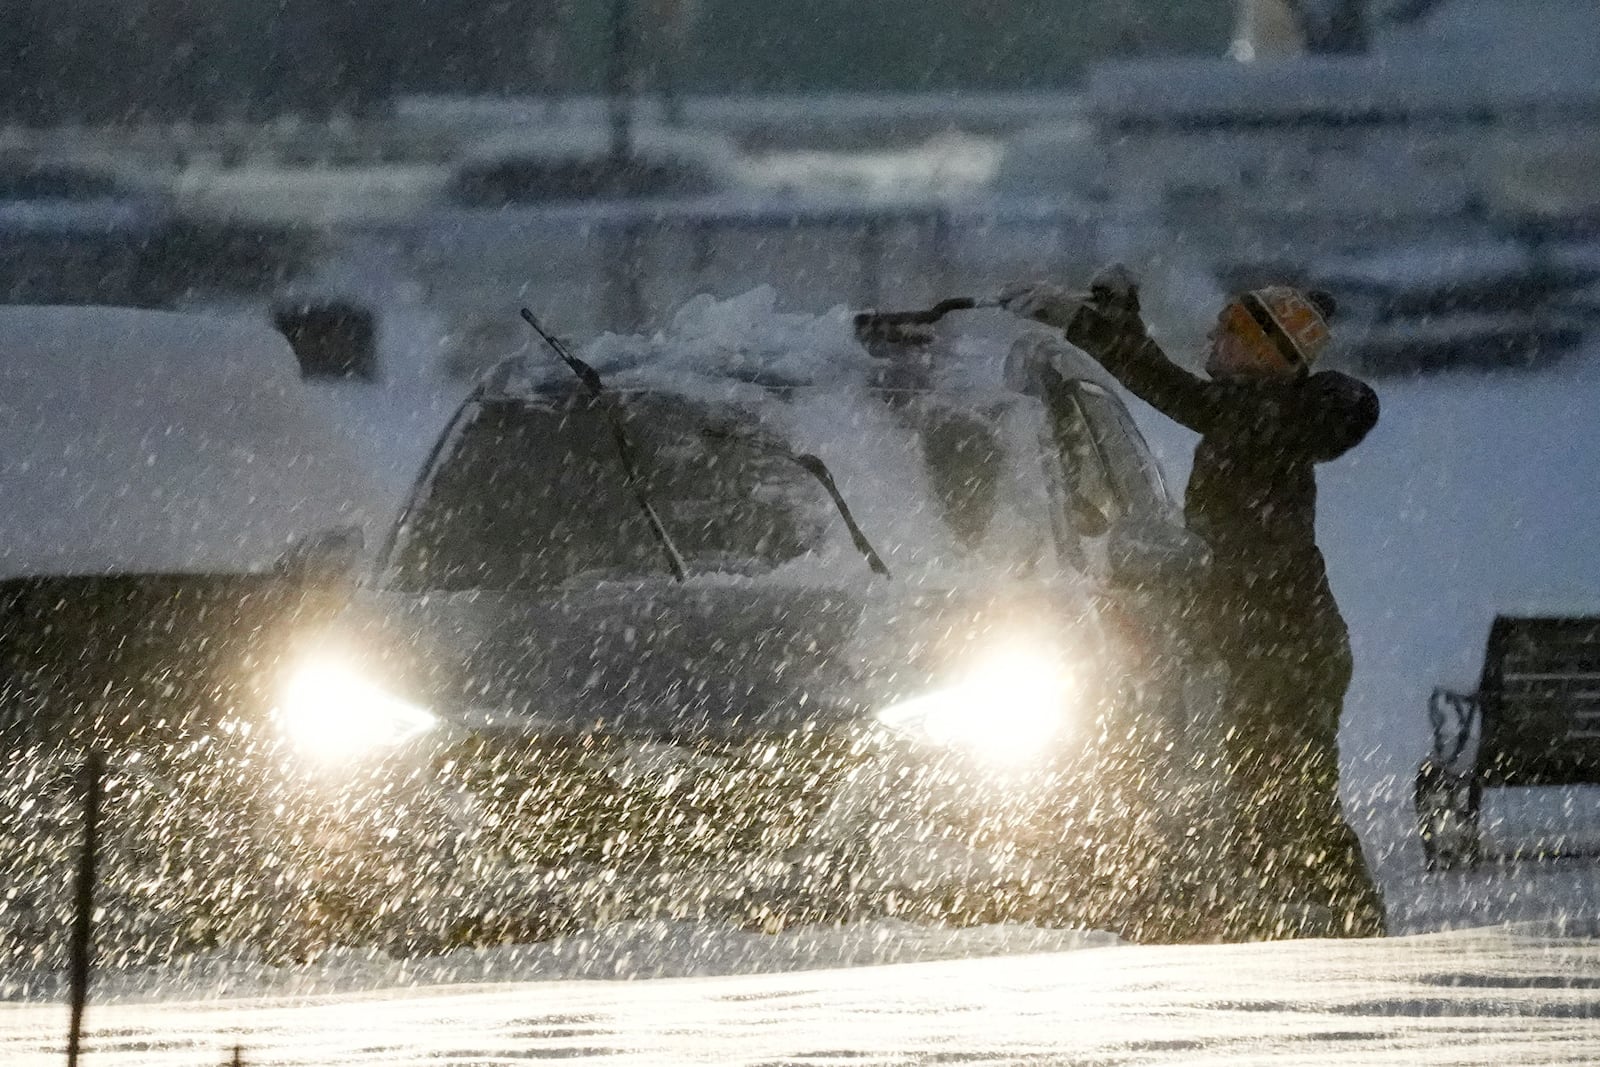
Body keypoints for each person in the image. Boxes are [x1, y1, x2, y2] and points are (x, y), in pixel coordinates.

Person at [1002, 267, 1387, 939]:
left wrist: (1093, 328)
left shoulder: (1267, 419)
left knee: (1289, 803)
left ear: (1263, 352)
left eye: (1228, 331)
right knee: (1262, 802)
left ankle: (1353, 931)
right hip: (1270, 646)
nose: (1212, 337)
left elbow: (1183, 395)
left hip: (1289, 650)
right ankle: (1308, 928)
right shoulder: (1262, 413)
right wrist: (1120, 328)